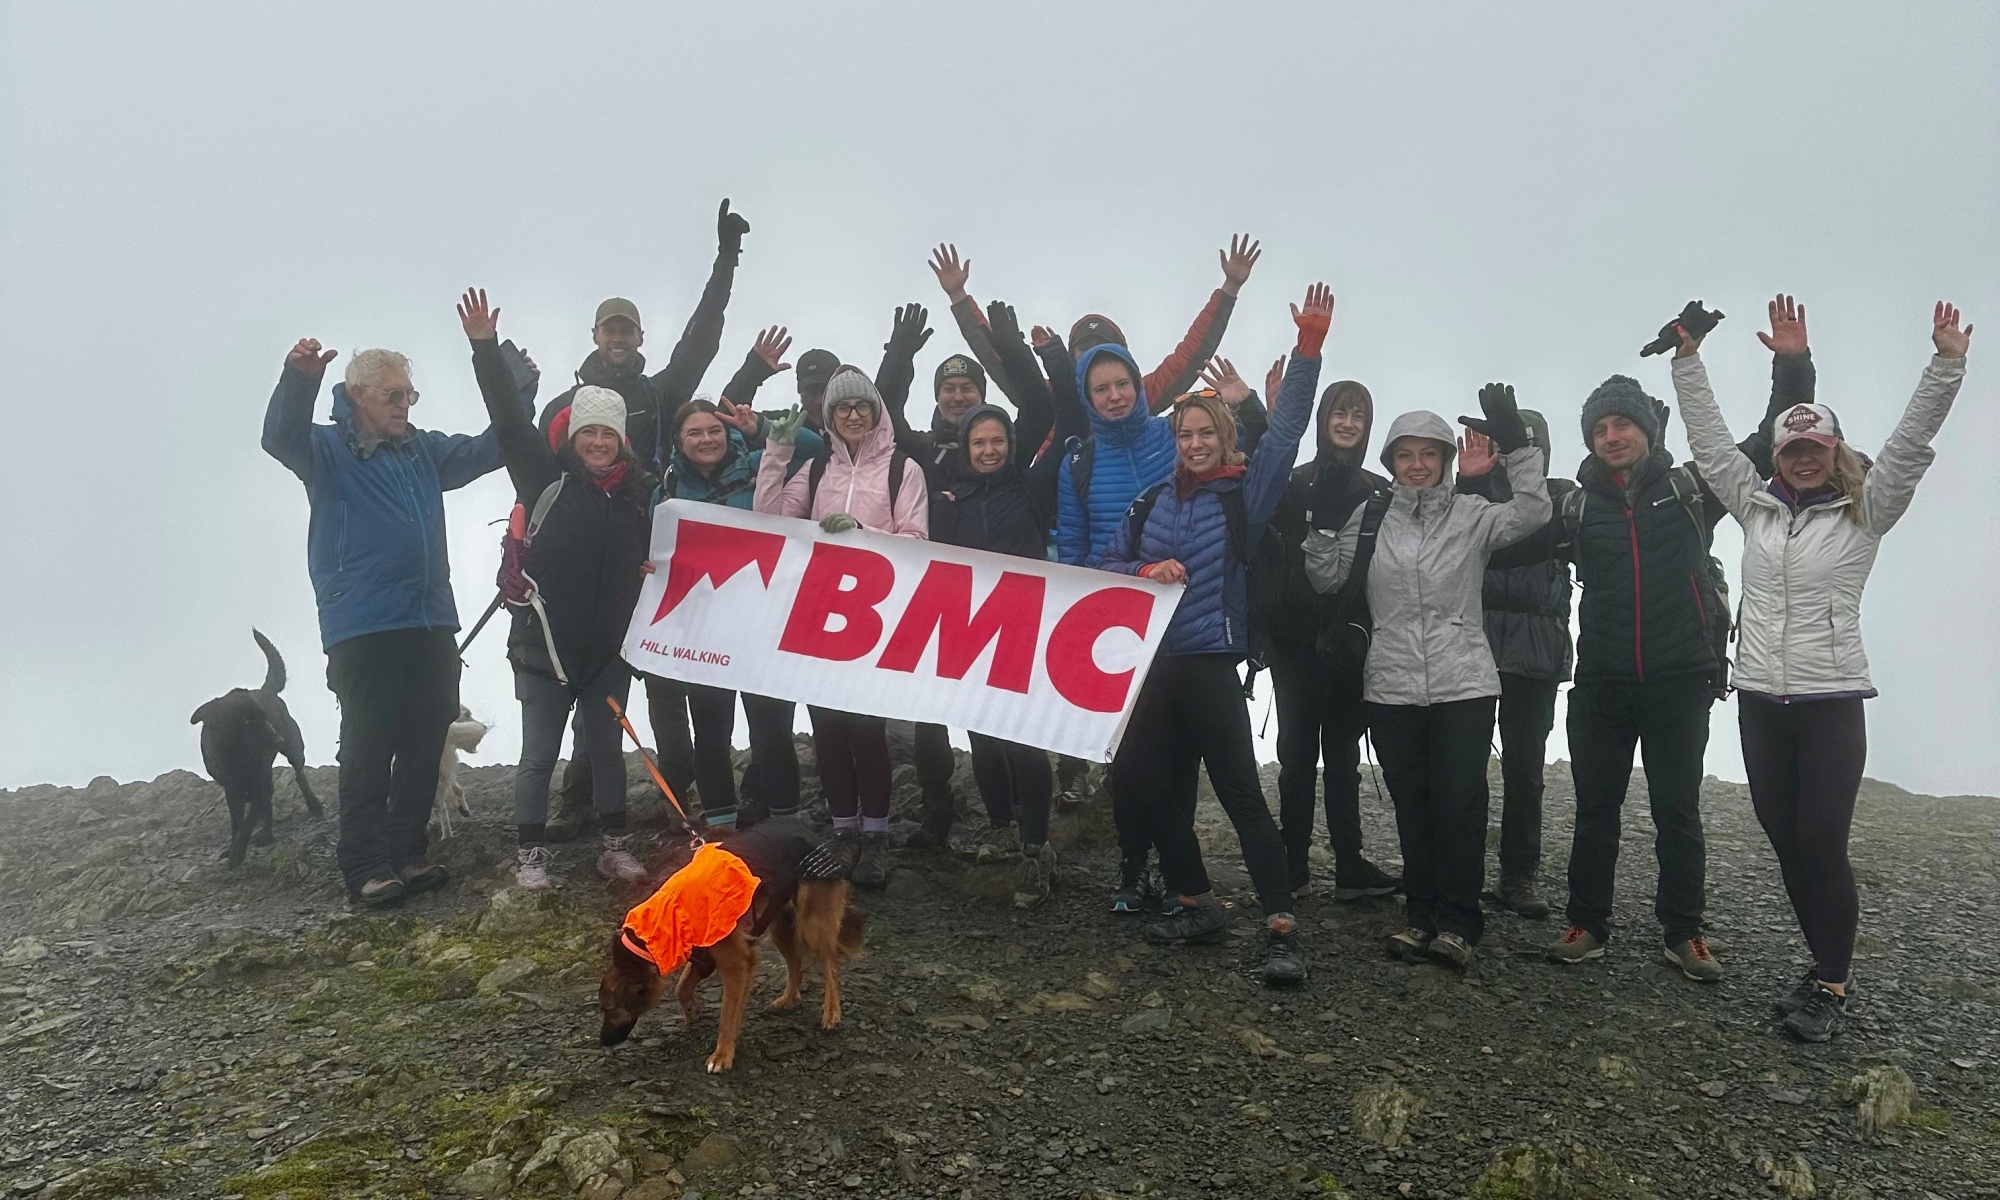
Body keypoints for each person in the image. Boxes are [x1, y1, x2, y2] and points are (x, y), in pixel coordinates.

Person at [1669, 296, 1970, 1041]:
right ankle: (1821, 963)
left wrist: (1945, 366)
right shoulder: (1756, 508)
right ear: (1776, 459)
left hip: (1830, 701)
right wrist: (1688, 364)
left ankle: (1833, 984)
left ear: (1835, 453)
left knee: (1822, 840)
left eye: (1816, 448)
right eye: (1792, 450)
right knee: (1784, 838)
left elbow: (1909, 443)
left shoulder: (1866, 510)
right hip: (1760, 702)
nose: (1804, 459)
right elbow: (1711, 446)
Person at [1098, 283, 1330, 986]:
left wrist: (1308, 351)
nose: (1195, 444)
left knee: (1239, 796)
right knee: (1138, 781)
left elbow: (1284, 437)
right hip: (1151, 668)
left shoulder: (1243, 497)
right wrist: (1143, 568)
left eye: (1206, 433)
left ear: (1224, 437)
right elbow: (1102, 566)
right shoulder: (1148, 503)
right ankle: (1195, 899)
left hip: (1209, 664)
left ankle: (1281, 923)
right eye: (1185, 435)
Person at [260, 320, 523, 906]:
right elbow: (278, 437)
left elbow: (491, 448)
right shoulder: (326, 450)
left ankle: (408, 853)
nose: (405, 404)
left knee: (426, 737)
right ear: (358, 395)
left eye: (410, 395)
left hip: (430, 620)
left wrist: (517, 387)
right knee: (369, 743)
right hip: (362, 623)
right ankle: (365, 864)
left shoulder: (423, 450)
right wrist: (299, 379)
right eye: (394, 395)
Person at [1305, 384, 1551, 970]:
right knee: (1412, 805)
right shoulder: (1371, 517)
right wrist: (1322, 523)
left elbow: (1533, 512)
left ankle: (1459, 923)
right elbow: (1325, 578)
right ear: (1391, 461)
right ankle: (1420, 917)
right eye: (1405, 455)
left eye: (1428, 454)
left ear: (1444, 459)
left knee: (1460, 804)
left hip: (1464, 682)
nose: (1417, 465)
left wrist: (1519, 448)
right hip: (1390, 684)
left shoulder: (1471, 516)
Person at [539, 199, 751, 843]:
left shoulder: (660, 393)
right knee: (591, 667)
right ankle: (579, 798)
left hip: (651, 548)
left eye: (627, 330)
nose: (618, 338)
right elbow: (539, 473)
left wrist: (726, 258)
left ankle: (674, 792)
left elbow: (702, 339)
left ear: (638, 337)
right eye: (610, 329)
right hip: (586, 552)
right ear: (595, 336)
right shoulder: (564, 403)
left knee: (663, 672)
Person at [457, 289, 654, 889]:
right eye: (588, 432)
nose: (598, 442)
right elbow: (510, 422)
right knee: (539, 755)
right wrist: (485, 349)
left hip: (606, 652)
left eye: (608, 434)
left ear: (622, 439)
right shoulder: (544, 478)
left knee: (606, 751)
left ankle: (613, 848)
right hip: (542, 647)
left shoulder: (639, 495)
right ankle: (531, 856)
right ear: (572, 436)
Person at [1547, 364, 1733, 981]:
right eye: (1600, 429)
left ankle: (1683, 932)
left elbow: (1759, 446)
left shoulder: (1689, 491)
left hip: (1680, 677)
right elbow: (1509, 525)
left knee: (1676, 810)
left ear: (1648, 431)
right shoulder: (1576, 505)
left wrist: (1790, 365)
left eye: (1623, 424)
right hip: (1602, 679)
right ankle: (1586, 923)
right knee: (1596, 808)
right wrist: (1512, 449)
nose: (1612, 436)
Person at [928, 311, 1085, 905]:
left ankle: (1035, 848)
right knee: (983, 736)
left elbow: (1068, 419)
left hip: (1026, 627)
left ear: (1010, 446)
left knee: (1023, 737)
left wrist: (1051, 359)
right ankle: (1000, 827)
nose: (989, 449)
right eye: (979, 442)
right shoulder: (952, 499)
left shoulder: (1032, 485)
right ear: (966, 447)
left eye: (997, 441)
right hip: (971, 631)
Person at [755, 366, 929, 888]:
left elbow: (917, 541)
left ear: (876, 412)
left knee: (866, 729)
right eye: (842, 408)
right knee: (828, 729)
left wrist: (862, 533)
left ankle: (875, 837)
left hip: (875, 620)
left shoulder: (902, 468)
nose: (853, 416)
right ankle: (843, 832)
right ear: (829, 416)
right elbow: (770, 521)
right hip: (819, 616)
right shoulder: (814, 469)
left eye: (861, 406)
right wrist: (776, 453)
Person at [1255, 372, 1404, 903]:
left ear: (1368, 425)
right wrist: (1273, 419)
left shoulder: (1380, 490)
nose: (1347, 422)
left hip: (1351, 642)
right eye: (1339, 412)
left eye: (1357, 415)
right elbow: (1262, 527)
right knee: (1296, 753)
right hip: (1294, 640)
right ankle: (1293, 864)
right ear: (1323, 420)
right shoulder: (1294, 482)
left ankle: (1348, 864)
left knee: (1343, 756)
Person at [658, 364, 825, 834]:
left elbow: (814, 447)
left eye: (714, 430)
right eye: (695, 433)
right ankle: (721, 829)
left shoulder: (755, 464)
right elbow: (654, 550)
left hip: (762, 621)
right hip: (702, 626)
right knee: (711, 729)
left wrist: (760, 428)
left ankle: (786, 825)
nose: (706, 439)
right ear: (679, 441)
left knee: (771, 726)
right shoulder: (667, 489)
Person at [1454, 408, 1574, 919]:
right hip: (1477, 647)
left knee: (1524, 769)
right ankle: (1463, 872)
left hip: (1533, 652)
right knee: (1465, 768)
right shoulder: (1468, 497)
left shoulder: (1561, 498)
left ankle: (1518, 875)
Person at [927, 237, 1261, 411]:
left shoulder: (1141, 396)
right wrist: (959, 297)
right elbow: (996, 359)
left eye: (1104, 348)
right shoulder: (1049, 399)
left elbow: (1190, 354)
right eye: (1083, 349)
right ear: (1070, 356)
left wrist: (1229, 289)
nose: (1093, 355)